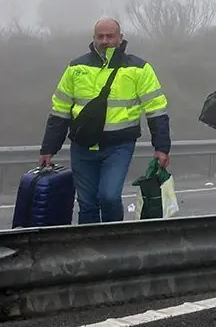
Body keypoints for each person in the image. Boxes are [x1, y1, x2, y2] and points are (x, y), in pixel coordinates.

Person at [39, 18, 171, 224]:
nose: (105, 40)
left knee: (109, 197)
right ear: (93, 38)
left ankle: (114, 243)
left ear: (120, 38)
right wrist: (48, 148)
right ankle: (88, 250)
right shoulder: (76, 68)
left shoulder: (139, 69)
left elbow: (156, 111)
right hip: (82, 146)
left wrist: (162, 147)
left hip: (119, 146)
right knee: (87, 203)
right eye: (100, 36)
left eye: (110, 36)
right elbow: (60, 111)